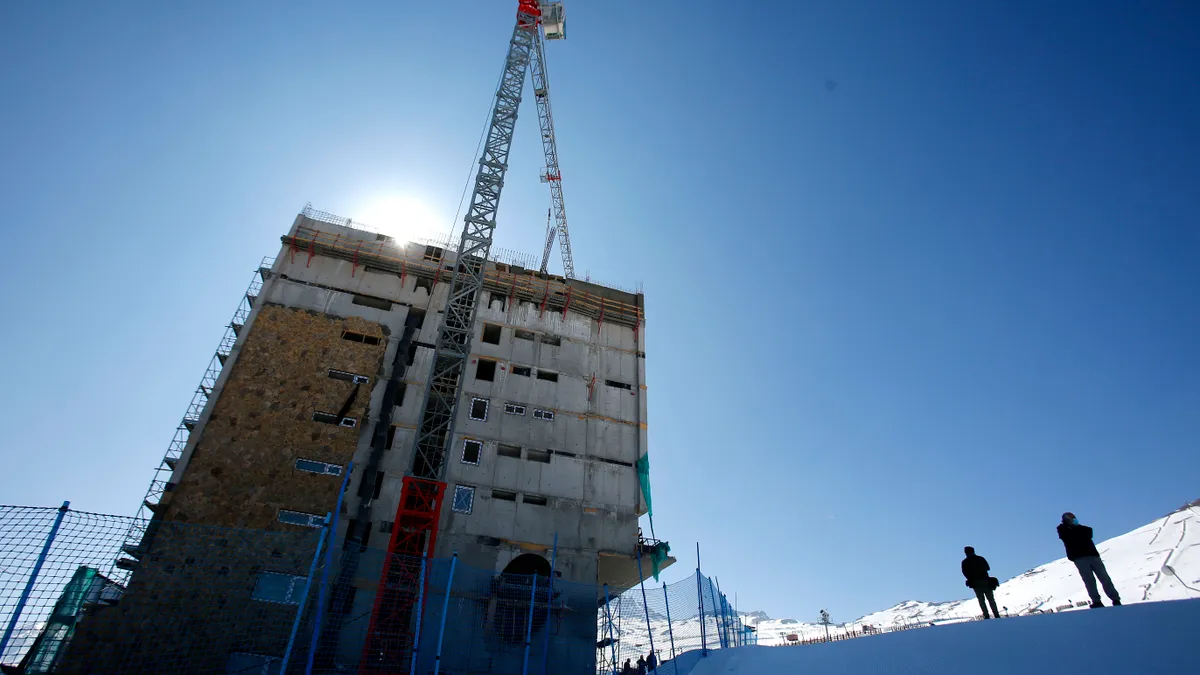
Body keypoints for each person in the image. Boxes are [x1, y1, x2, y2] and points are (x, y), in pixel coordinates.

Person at [1058, 512, 1121, 608]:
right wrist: (1075, 532)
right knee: (1089, 580)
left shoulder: (1082, 529)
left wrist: (1075, 531)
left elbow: (1088, 531)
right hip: (1079, 558)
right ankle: (1096, 601)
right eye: (1072, 518)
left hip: (1093, 555)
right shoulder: (1063, 530)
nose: (1074, 520)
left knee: (1104, 578)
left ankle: (1115, 599)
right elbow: (1068, 537)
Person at [961, 546, 1001, 619]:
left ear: (966, 553)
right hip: (986, 581)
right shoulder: (980, 558)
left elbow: (965, 573)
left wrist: (971, 578)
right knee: (991, 599)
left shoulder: (965, 562)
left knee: (981, 600)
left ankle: (986, 616)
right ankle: (996, 615)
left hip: (975, 583)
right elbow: (988, 568)